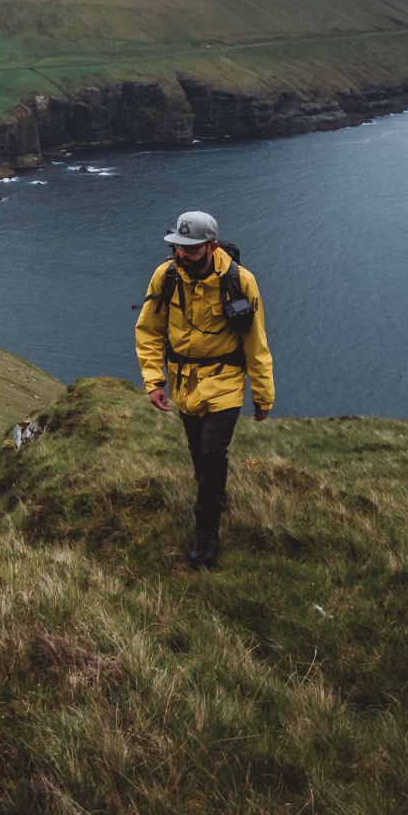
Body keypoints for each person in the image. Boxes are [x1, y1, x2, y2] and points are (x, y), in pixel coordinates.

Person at [134, 210, 274, 570]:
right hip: (184, 384)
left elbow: (256, 343)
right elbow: (149, 331)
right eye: (178, 246)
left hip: (225, 382)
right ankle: (213, 494)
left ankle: (206, 534)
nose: (182, 254)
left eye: (191, 248)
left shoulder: (241, 282)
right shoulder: (165, 277)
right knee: (200, 456)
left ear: (211, 246)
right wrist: (154, 382)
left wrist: (263, 395)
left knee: (212, 453)